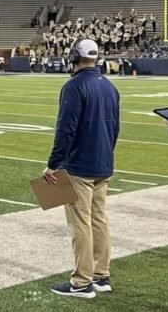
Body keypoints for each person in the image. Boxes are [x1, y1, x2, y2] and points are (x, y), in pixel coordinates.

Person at [42, 39, 120, 299]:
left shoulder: (74, 86)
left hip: (79, 166)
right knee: (99, 219)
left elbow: (65, 130)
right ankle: (101, 275)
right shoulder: (109, 86)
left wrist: (53, 164)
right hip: (103, 163)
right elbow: (115, 129)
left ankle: (82, 282)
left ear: (73, 56)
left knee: (80, 224)